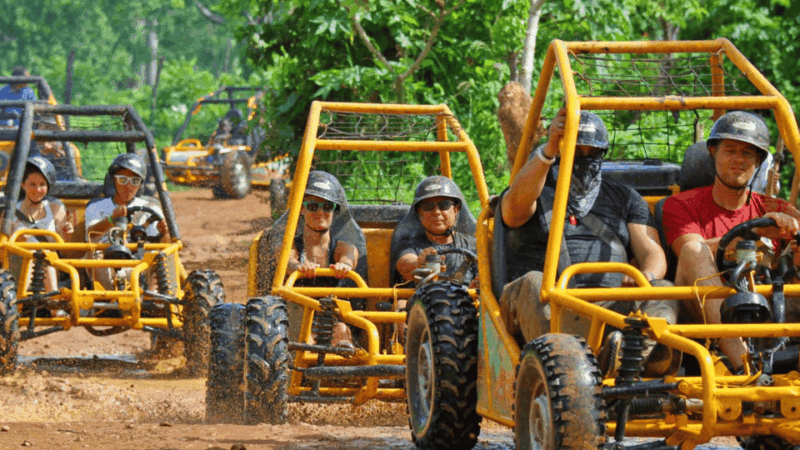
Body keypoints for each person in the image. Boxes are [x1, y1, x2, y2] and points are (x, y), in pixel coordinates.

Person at [498, 108, 679, 377]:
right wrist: (549, 148)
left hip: (611, 306)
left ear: (601, 154)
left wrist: (645, 276)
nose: (582, 158)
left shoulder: (624, 197)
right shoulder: (534, 187)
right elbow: (514, 209)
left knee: (663, 289)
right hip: (547, 302)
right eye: (573, 150)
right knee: (534, 282)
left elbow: (652, 252)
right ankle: (568, 365)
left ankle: (629, 359)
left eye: (590, 152)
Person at [662, 110, 800, 372]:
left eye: (747, 153)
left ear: (758, 160)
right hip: (700, 310)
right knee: (694, 250)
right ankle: (746, 367)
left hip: (767, 306)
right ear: (713, 152)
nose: (738, 160)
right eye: (730, 151)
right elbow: (690, 252)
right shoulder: (679, 205)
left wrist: (794, 243)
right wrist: (753, 234)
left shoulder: (776, 208)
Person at [287, 170, 359, 347]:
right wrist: (299, 267)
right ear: (301, 209)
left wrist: (344, 265)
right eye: (313, 206)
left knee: (342, 331)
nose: (320, 212)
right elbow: (287, 261)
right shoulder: (291, 246)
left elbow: (350, 256)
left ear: (334, 211)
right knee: (306, 339)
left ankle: (342, 371)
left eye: (327, 207)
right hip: (297, 318)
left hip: (330, 319)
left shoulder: (342, 247)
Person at [84, 153, 168, 288]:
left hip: (139, 261)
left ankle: (154, 300)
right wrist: (111, 220)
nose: (128, 186)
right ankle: (111, 299)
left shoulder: (151, 209)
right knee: (94, 255)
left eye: (134, 181)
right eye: (123, 180)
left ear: (140, 184)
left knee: (159, 256)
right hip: (105, 259)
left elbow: (162, 245)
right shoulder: (96, 207)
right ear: (114, 180)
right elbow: (90, 235)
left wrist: (164, 233)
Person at [5, 156, 74, 296]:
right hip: (17, 266)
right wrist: (18, 243)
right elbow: (2, 249)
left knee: (44, 256)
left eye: (42, 185)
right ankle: (21, 302)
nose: (38, 189)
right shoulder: (9, 212)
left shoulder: (55, 209)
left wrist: (67, 233)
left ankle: (51, 304)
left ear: (48, 186)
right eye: (32, 184)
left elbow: (65, 250)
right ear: (23, 185)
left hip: (51, 265)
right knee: (34, 256)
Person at [394, 176, 477, 286]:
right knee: (401, 303)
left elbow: (484, 277)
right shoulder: (408, 243)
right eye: (428, 206)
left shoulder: (473, 245)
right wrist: (420, 264)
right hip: (420, 301)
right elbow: (405, 264)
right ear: (419, 212)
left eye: (444, 205)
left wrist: (476, 286)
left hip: (464, 301)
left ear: (456, 210)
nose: (436, 212)